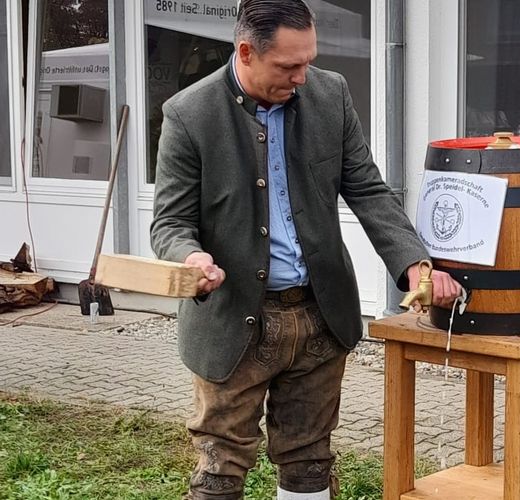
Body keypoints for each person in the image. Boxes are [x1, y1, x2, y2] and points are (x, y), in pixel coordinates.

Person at [150, 1, 462, 499]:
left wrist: (413, 262)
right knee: (220, 467)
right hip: (234, 322)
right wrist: (192, 257)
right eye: (289, 66)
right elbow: (170, 221)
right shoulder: (189, 114)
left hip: (319, 314)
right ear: (246, 52)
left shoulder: (330, 94)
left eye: (308, 61)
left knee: (310, 460)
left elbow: (367, 188)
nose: (302, 76)